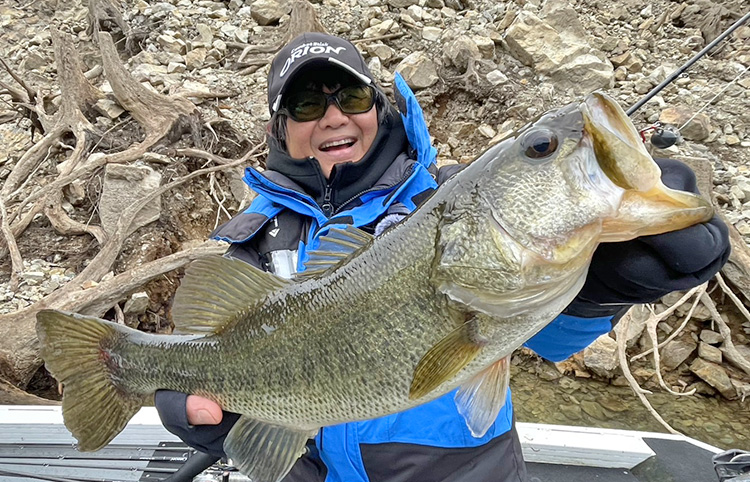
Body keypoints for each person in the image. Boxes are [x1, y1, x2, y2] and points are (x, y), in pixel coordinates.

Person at [155, 32, 731, 482]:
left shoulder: (445, 197)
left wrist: (606, 287)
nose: (332, 117)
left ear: (378, 108)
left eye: (350, 97)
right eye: (307, 104)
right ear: (280, 129)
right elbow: (207, 345)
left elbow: (548, 338)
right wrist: (181, 394)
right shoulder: (255, 240)